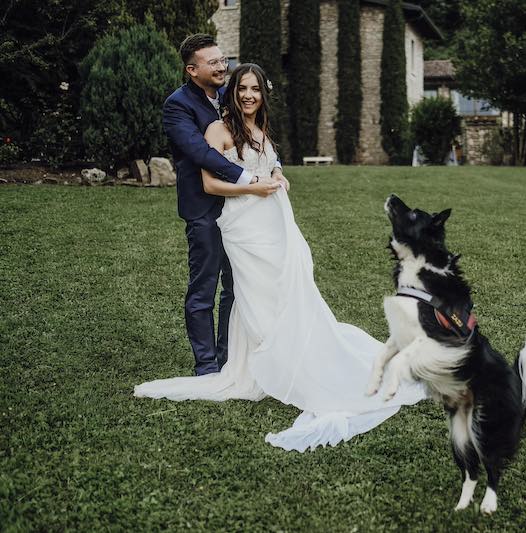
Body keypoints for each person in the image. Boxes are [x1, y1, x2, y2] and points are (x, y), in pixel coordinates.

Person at [135, 63, 426, 452]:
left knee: (288, 289)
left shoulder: (260, 129)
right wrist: (255, 191)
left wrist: (277, 172)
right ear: (232, 92)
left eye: (255, 89)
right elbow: (210, 182)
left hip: (274, 224)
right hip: (243, 225)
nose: (249, 96)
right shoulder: (217, 130)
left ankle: (289, 358)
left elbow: (266, 163)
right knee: (256, 296)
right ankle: (270, 365)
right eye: (242, 89)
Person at [162, 34, 286, 376]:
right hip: (204, 207)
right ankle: (206, 367)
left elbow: (256, 136)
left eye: (222, 60)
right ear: (192, 70)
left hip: (244, 215)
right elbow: (200, 153)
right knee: (204, 288)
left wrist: (275, 168)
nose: (222, 66)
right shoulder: (178, 105)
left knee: (237, 287)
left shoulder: (231, 93)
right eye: (213, 62)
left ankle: (229, 358)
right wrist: (249, 180)